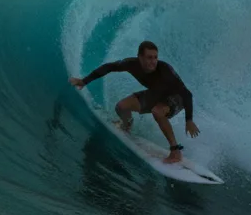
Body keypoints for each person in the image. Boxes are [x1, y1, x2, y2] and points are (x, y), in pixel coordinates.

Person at [69, 41, 199, 164]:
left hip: (177, 98)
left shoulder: (165, 70)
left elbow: (187, 94)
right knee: (121, 107)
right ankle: (127, 125)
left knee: (157, 111)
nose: (153, 61)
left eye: (155, 57)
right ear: (140, 57)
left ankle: (175, 151)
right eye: (149, 57)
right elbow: (109, 67)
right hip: (156, 94)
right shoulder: (131, 64)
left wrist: (189, 120)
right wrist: (84, 81)